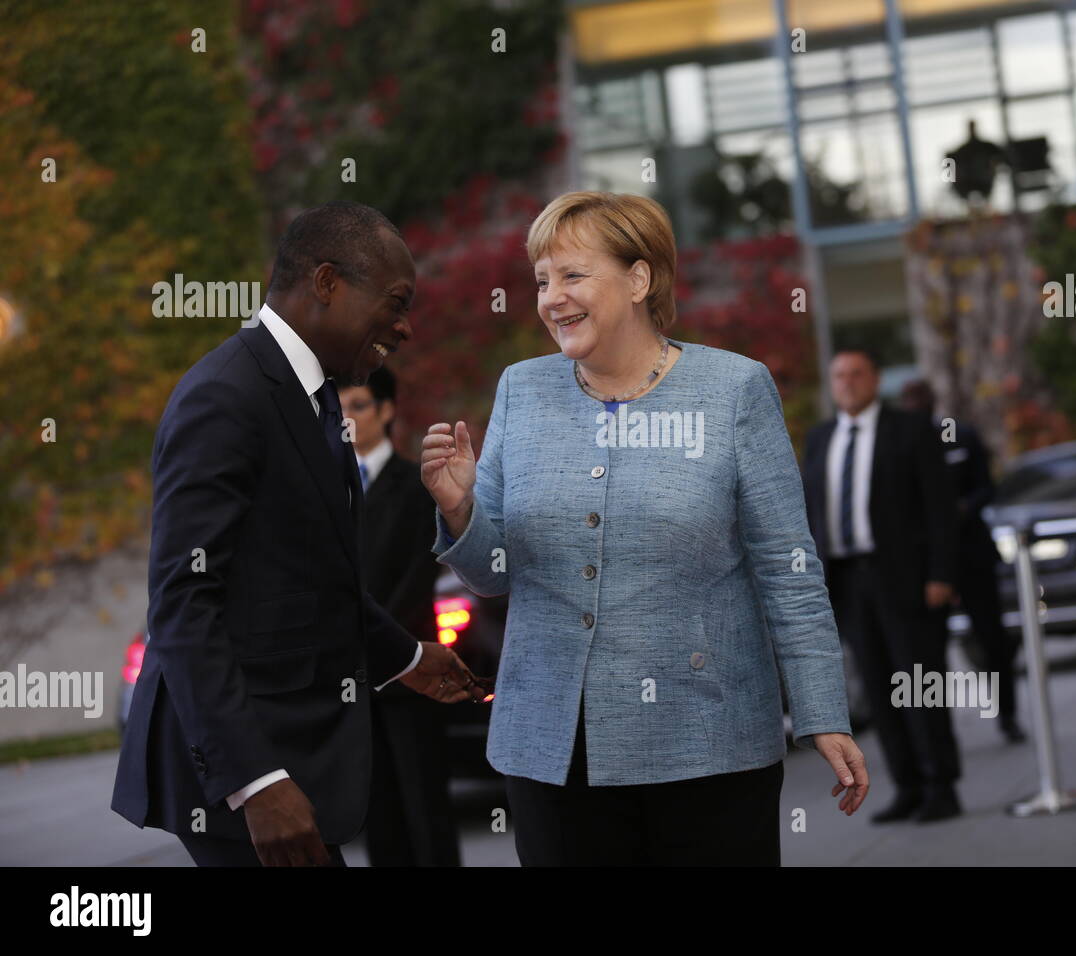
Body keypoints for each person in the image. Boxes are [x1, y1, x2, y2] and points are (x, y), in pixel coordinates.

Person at [422, 191, 868, 866]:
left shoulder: (734, 390)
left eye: (573, 275)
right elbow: (492, 574)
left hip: (708, 745)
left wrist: (822, 712)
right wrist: (460, 510)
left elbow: (788, 567)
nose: (551, 298)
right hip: (553, 751)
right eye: (542, 280)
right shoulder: (522, 389)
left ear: (639, 278)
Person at [112, 201, 483, 867]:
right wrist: (254, 782)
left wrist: (404, 657)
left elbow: (316, 577)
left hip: (294, 759)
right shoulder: (226, 396)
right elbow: (183, 603)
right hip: (244, 778)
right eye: (396, 303)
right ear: (326, 283)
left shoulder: (309, 396)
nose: (403, 327)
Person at [802, 349, 963, 823]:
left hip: (906, 580)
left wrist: (941, 574)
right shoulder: (820, 438)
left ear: (875, 379)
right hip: (847, 582)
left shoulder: (912, 430)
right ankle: (907, 786)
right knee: (876, 688)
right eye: (838, 376)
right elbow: (812, 514)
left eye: (856, 374)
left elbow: (940, 509)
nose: (847, 383)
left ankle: (942, 786)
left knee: (916, 686)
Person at [341, 366, 462, 866]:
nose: (346, 419)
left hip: (409, 673)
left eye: (359, 406)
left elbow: (417, 579)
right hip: (352, 681)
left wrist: (380, 644)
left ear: (387, 411)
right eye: (339, 408)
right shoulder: (328, 488)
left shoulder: (417, 486)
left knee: (424, 807)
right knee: (378, 813)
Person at [899, 378, 1024, 744]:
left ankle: (1008, 715)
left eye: (921, 400)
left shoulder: (960, 437)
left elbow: (987, 487)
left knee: (992, 639)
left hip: (970, 555)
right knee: (925, 651)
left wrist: (962, 508)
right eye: (910, 401)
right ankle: (937, 731)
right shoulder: (897, 446)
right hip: (924, 563)